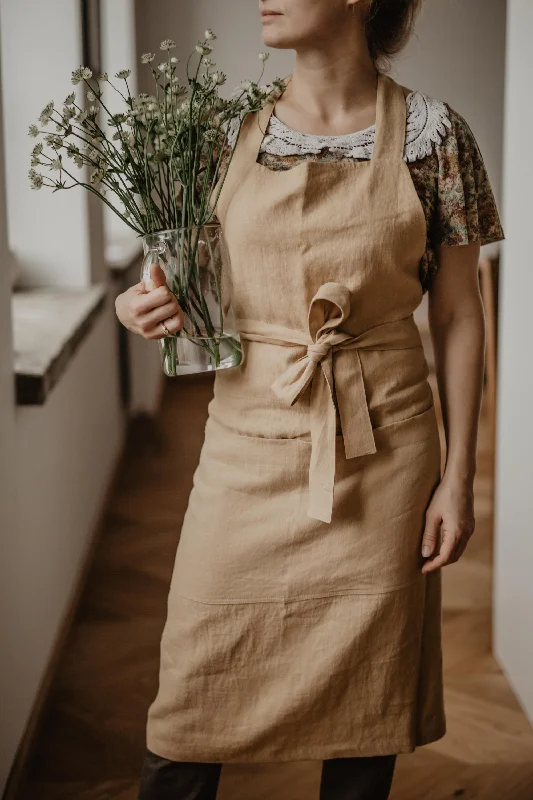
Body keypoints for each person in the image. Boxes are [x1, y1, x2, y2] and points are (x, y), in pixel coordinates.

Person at [115, 1, 505, 798]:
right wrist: (142, 304)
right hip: (245, 440)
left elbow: (461, 317)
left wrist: (457, 479)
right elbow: (185, 283)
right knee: (191, 692)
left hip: (383, 450)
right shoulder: (219, 132)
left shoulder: (437, 137)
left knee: (367, 695)